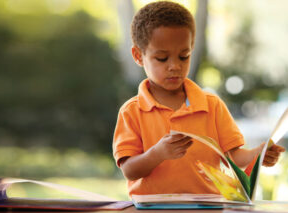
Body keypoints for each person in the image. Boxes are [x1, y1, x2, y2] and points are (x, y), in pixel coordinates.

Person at [112, 1, 285, 196]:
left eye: (184, 56)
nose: (175, 66)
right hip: (151, 211)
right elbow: (129, 170)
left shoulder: (212, 105)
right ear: (138, 55)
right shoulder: (132, 111)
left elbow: (234, 157)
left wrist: (258, 153)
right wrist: (157, 154)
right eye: (162, 58)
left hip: (207, 208)